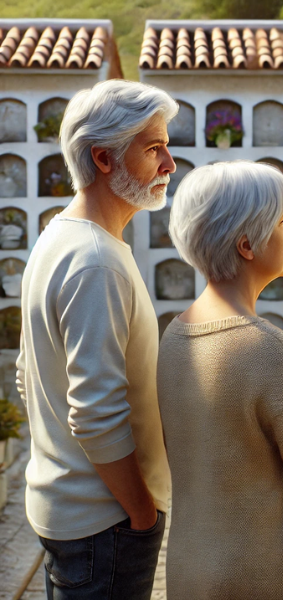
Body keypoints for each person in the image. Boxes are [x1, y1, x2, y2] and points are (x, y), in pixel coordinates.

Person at [159, 161, 283, 600]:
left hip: (192, 572)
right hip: (267, 578)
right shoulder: (266, 348)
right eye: (282, 221)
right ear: (247, 243)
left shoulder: (174, 337)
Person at [15, 80, 178, 599]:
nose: (170, 164)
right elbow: (95, 413)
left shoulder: (59, 236)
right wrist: (141, 513)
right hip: (104, 524)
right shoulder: (96, 260)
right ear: (104, 158)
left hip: (74, 512)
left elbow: (27, 374)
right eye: (154, 148)